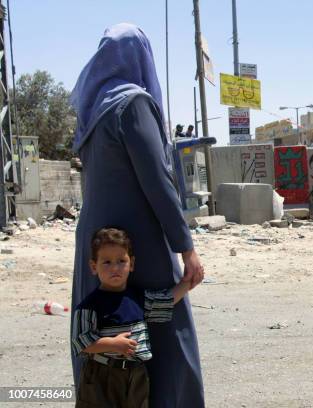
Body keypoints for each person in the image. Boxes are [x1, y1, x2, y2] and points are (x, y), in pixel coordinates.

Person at [70, 23, 205, 407]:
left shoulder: (92, 112)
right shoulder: (132, 103)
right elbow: (158, 182)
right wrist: (186, 247)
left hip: (96, 242)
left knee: (101, 325)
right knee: (167, 332)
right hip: (137, 241)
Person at [73, 228, 196, 407]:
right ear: (94, 266)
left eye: (121, 261)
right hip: (103, 374)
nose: (115, 268)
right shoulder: (89, 306)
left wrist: (189, 282)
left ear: (131, 264)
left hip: (136, 373)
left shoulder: (137, 299)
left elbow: (166, 301)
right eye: (106, 262)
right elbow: (81, 342)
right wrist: (113, 344)